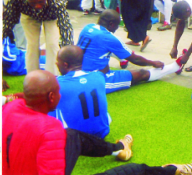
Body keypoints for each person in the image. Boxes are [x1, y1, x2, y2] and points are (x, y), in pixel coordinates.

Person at [2, 70, 134, 175]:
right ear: (52, 97)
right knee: (131, 170)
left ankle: (118, 149)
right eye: (58, 92)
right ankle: (121, 149)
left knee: (72, 135)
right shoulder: (50, 128)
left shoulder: (9, 108)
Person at [77, 10, 183, 94]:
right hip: (95, 81)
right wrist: (153, 63)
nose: (117, 28)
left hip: (76, 74)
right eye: (117, 25)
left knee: (112, 49)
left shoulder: (87, 28)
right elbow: (135, 59)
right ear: (111, 24)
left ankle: (123, 59)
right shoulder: (109, 38)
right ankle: (176, 66)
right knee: (141, 73)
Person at [3, 0, 73, 76]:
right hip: (29, 15)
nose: (38, 6)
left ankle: (53, 78)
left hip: (51, 17)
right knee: (32, 44)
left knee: (52, 44)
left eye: (40, 1)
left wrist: (68, 52)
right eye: (33, 2)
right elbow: (9, 20)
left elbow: (65, 26)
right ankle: (32, 78)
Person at [48, 45, 110, 139]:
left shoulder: (56, 84)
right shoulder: (99, 77)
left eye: (58, 62)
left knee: (48, 105)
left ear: (65, 64)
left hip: (73, 139)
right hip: (101, 133)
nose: (57, 64)